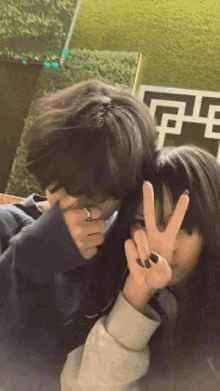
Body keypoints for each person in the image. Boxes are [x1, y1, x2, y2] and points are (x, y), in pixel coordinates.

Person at [0, 78, 157, 391]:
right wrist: (26, 259)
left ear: (125, 192)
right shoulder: (7, 226)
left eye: (93, 198)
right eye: (58, 185)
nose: (70, 206)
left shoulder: (128, 250)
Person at [61, 144, 220, 391]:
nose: (164, 248)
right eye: (142, 223)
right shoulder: (105, 284)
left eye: (183, 225)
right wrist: (136, 294)